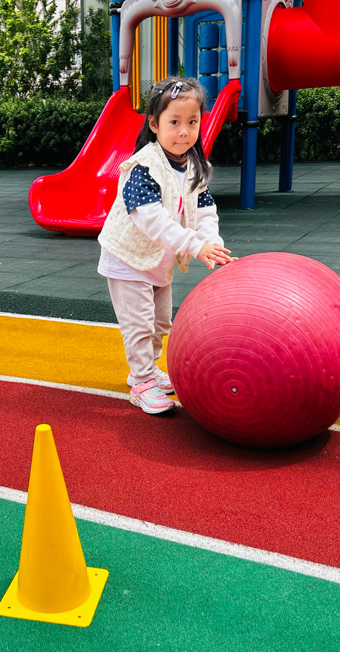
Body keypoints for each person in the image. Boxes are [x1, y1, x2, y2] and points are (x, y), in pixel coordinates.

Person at [97, 77, 234, 415]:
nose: (184, 132)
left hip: (158, 260)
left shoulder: (195, 166)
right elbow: (151, 219)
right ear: (154, 124)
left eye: (192, 122)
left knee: (160, 321)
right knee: (140, 323)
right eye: (174, 122)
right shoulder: (143, 167)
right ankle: (141, 380)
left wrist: (210, 242)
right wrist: (194, 245)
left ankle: (147, 370)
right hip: (128, 259)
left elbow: (204, 210)